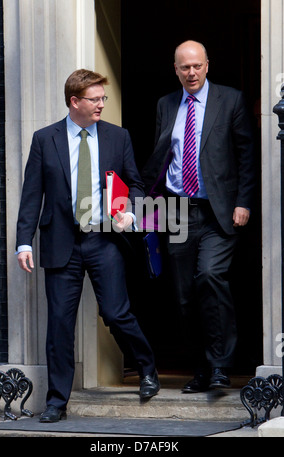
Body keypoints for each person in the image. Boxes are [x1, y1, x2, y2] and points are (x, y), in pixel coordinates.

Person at [16, 69, 160, 423]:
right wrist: (23, 242)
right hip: (60, 242)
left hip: (104, 239)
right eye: (94, 99)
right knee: (60, 324)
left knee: (116, 312)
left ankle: (147, 369)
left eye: (103, 99)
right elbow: (32, 195)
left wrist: (129, 211)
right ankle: (56, 401)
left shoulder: (117, 136)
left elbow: (137, 185)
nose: (101, 105)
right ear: (74, 102)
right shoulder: (44, 138)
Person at [142, 41, 255, 392]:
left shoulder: (230, 99)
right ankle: (202, 368)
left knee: (209, 276)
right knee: (184, 294)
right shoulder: (166, 104)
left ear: (208, 65)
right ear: (175, 69)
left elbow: (247, 155)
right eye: (184, 67)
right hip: (177, 210)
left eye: (196, 66)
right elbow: (162, 155)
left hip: (218, 210)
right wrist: (142, 200)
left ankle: (221, 366)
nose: (191, 73)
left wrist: (244, 201)